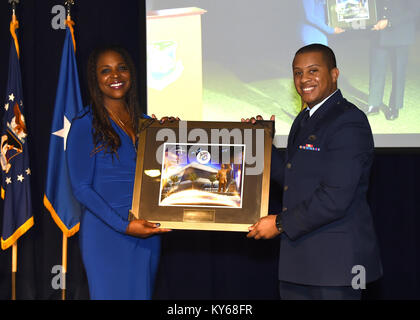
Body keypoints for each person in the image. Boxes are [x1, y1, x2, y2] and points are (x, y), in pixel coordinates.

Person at [246, 44, 382, 300]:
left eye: (313, 70)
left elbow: (335, 198)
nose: (304, 79)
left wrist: (278, 223)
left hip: (338, 266)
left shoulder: (349, 121)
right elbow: (292, 177)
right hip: (300, 264)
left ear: (334, 74)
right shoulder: (305, 119)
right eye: (297, 73)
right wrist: (258, 144)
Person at [66, 45, 171, 300]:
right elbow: (81, 188)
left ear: (131, 73)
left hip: (146, 234)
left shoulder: (147, 123)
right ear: (95, 78)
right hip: (107, 235)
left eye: (121, 68)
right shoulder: (84, 124)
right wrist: (124, 226)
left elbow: (164, 175)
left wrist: (171, 137)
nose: (115, 76)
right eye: (106, 71)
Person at [366, 0, 420, 120]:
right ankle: (374, 104)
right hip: (378, 32)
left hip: (401, 33)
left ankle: (394, 106)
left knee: (398, 72)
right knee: (376, 70)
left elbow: (415, 10)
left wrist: (390, 22)